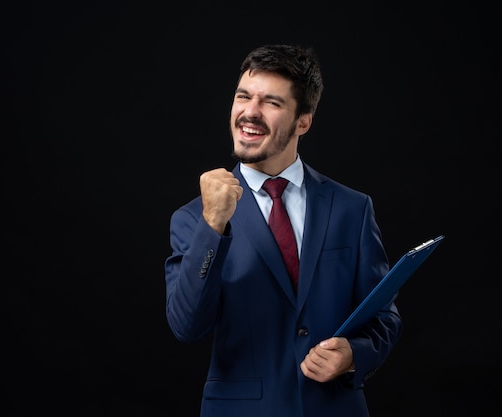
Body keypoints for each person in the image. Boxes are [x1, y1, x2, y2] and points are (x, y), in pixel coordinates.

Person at [163, 44, 403, 417]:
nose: (250, 112)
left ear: (303, 120)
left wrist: (354, 355)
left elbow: (384, 316)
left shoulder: (352, 209)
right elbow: (187, 326)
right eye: (244, 96)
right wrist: (214, 226)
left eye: (271, 102)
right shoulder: (194, 218)